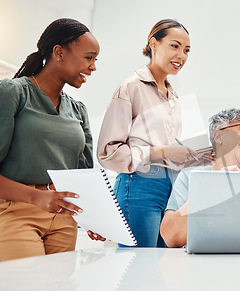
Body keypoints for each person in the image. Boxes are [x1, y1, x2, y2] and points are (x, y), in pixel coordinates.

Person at [96, 19, 206, 248]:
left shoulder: (174, 96)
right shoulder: (131, 87)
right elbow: (108, 153)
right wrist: (164, 151)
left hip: (172, 187)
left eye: (186, 50)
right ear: (153, 44)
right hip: (138, 185)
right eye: (175, 46)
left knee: (165, 267)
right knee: (138, 266)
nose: (182, 56)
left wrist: (194, 156)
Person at [0, 18, 99, 261]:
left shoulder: (78, 110)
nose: (93, 67)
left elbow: (84, 174)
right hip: (17, 213)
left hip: (64, 220)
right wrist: (38, 196)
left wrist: (95, 217)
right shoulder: (13, 93)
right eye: (89, 57)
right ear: (59, 52)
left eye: (96, 60)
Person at [160, 108, 240, 248]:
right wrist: (212, 188)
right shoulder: (190, 177)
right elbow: (171, 238)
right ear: (219, 136)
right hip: (200, 265)